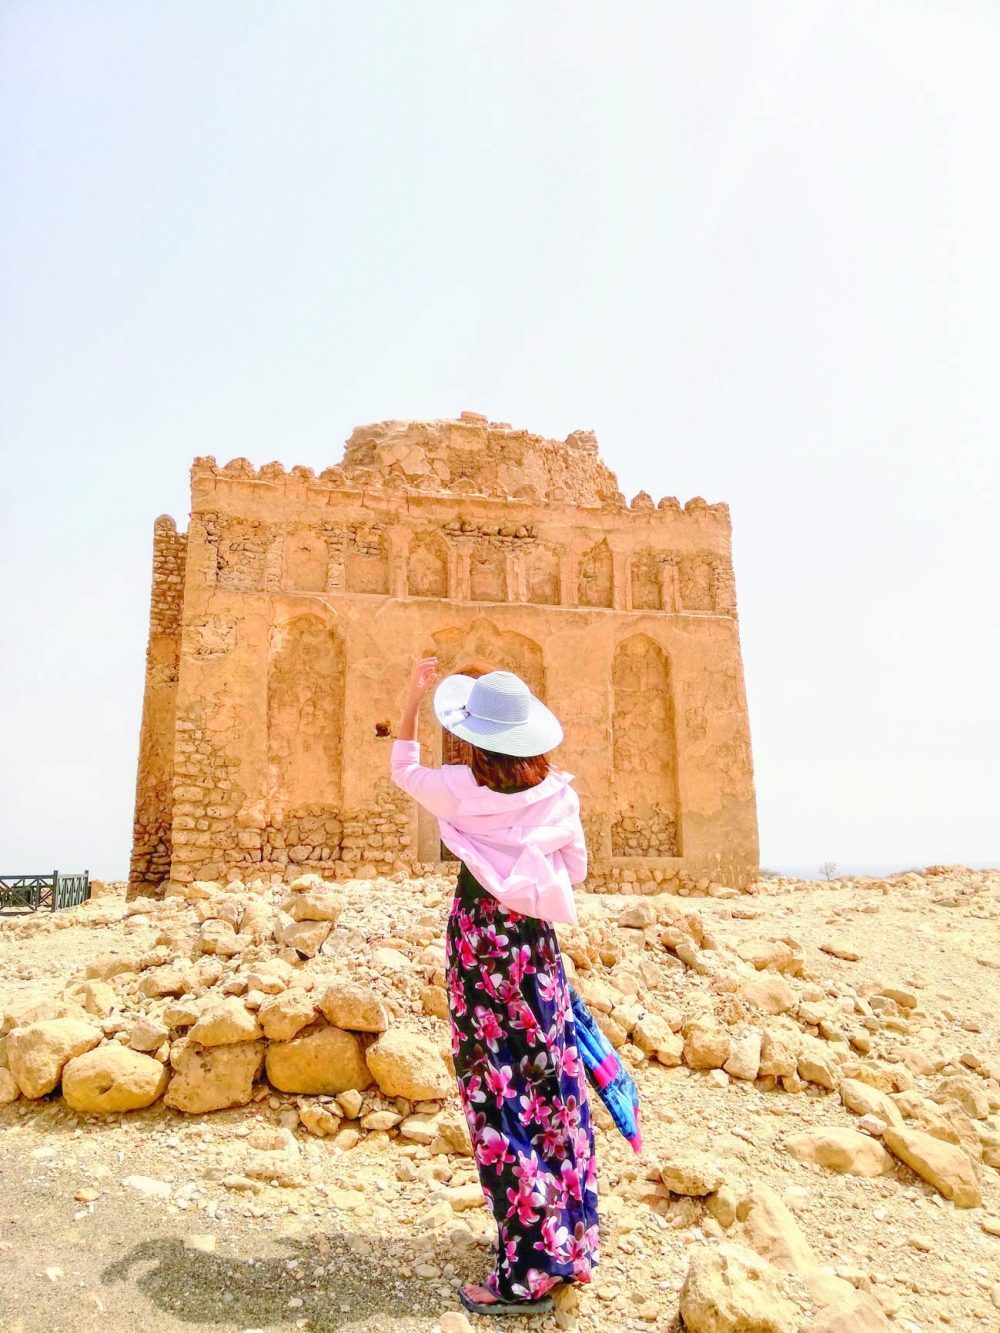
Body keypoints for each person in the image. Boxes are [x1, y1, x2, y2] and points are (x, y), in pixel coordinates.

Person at [390, 658, 600, 1317]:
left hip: (480, 946)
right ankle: (567, 1244)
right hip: (535, 949)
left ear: (476, 737)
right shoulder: (559, 794)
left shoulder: (458, 787)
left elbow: (402, 767)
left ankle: (524, 1275)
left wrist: (412, 696)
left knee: (498, 1094)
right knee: (549, 1087)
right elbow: (578, 870)